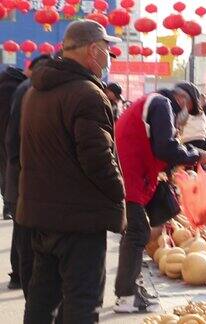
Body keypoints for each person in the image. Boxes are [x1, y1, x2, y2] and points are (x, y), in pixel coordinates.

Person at [17, 20, 126, 323]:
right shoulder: (87, 94)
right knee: (81, 301)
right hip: (79, 219)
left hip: (41, 214)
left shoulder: (35, 92)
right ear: (93, 50)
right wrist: (119, 192)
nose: (108, 57)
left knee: (42, 299)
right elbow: (98, 158)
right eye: (107, 50)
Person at [114, 82, 206, 313]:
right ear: (181, 99)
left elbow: (158, 148)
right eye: (189, 109)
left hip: (134, 176)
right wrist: (195, 155)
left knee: (137, 232)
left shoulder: (152, 103)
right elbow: (164, 148)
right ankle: (126, 295)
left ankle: (130, 289)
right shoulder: (162, 103)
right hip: (133, 178)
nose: (187, 115)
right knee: (137, 233)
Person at [5, 54, 51, 296]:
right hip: (23, 173)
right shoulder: (30, 91)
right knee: (25, 232)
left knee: (21, 227)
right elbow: (15, 139)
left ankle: (20, 277)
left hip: (16, 171)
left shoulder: (23, 88)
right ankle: (23, 279)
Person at [0, 65, 27, 222]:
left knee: (4, 170)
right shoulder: (17, 88)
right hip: (9, 135)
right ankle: (8, 206)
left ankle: (7, 204)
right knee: (9, 168)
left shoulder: (3, 85)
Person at [181, 87, 206, 151]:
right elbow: (205, 125)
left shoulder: (186, 109)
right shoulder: (201, 111)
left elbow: (180, 124)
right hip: (201, 138)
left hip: (188, 138)